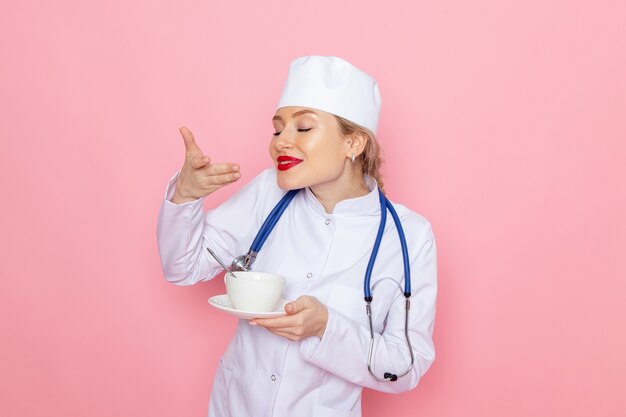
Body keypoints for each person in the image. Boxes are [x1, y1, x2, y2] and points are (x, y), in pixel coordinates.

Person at [157, 55, 437, 417]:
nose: (280, 142)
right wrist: (186, 195)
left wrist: (326, 328)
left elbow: (404, 367)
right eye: (277, 129)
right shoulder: (267, 194)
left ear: (354, 144)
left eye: (303, 128)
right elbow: (183, 267)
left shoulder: (409, 237)